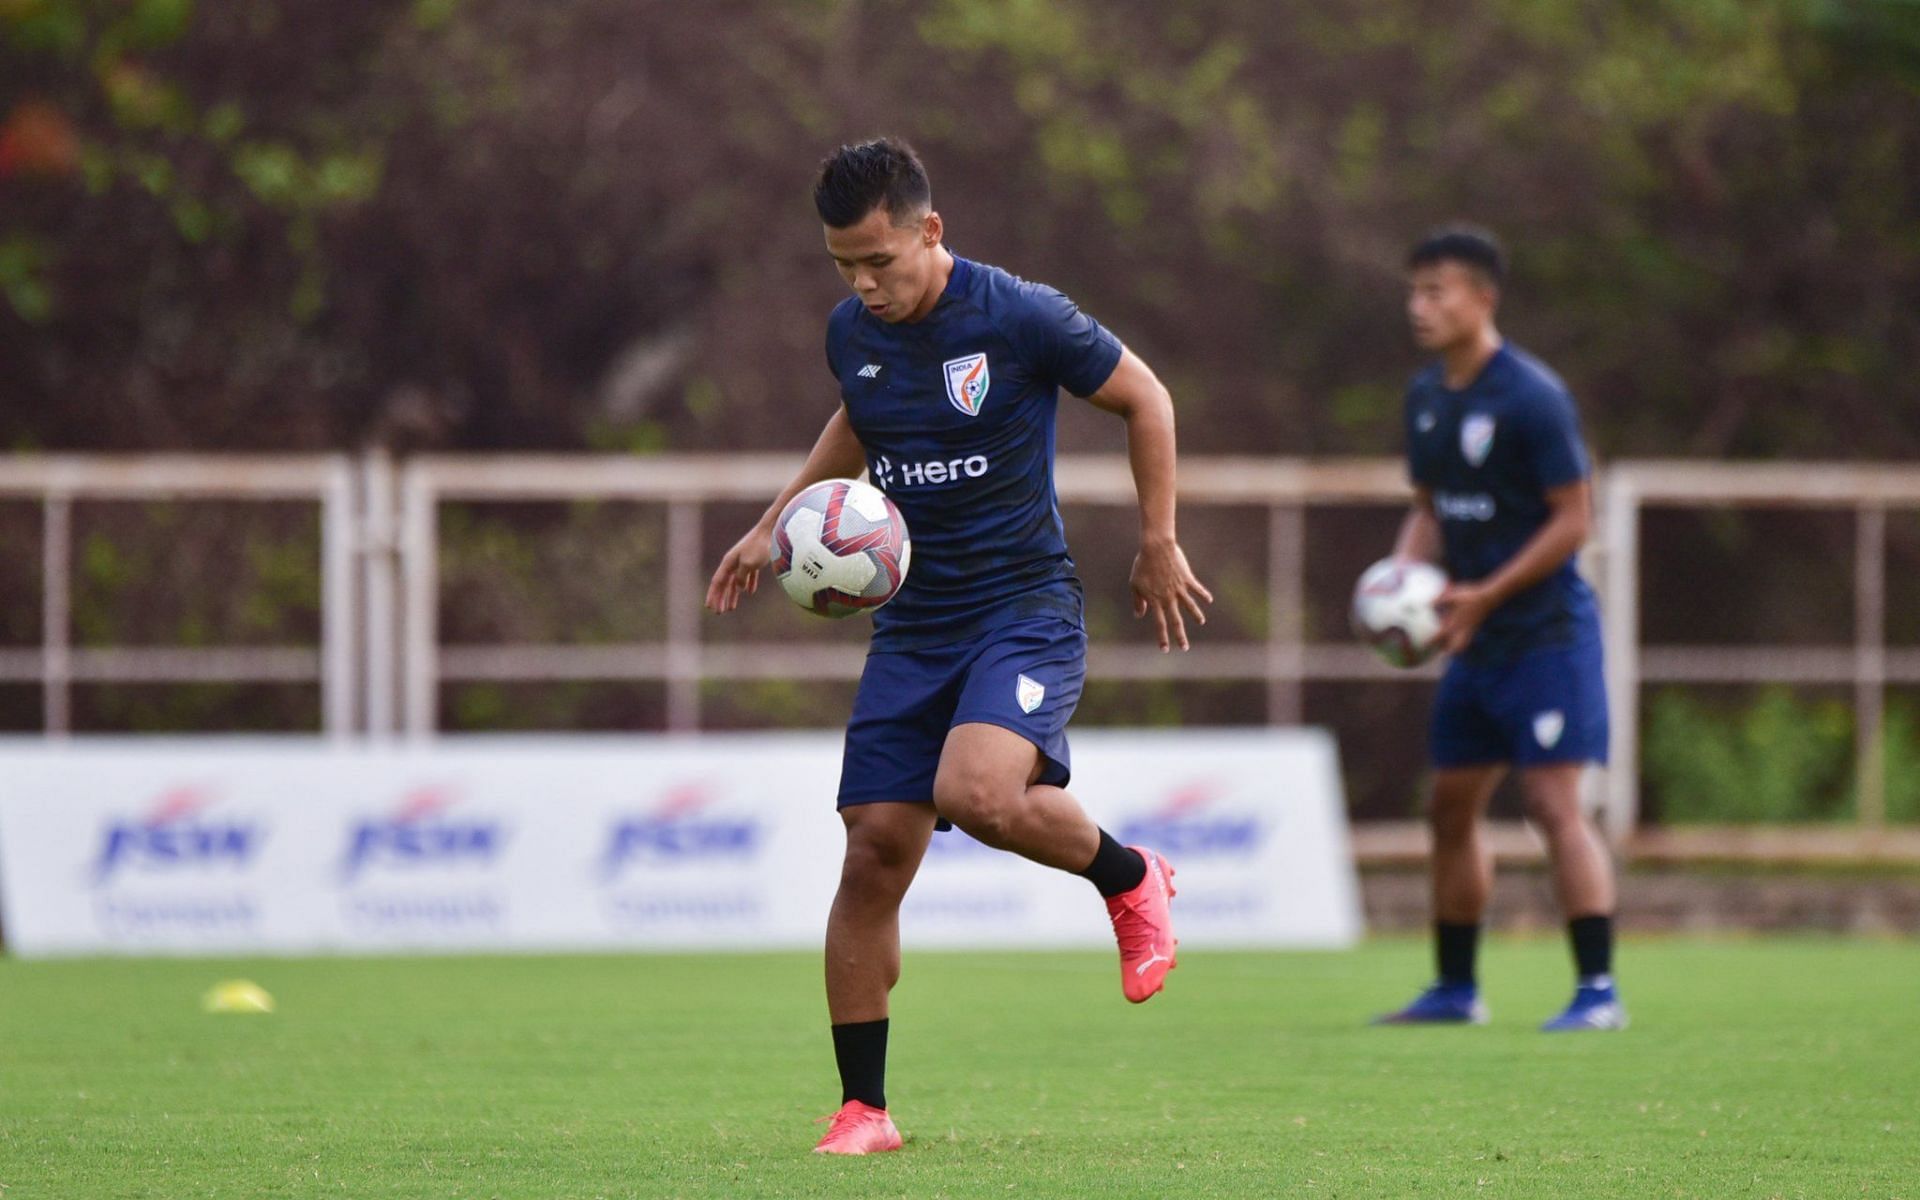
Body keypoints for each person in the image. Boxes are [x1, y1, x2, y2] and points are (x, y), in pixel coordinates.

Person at [705, 138, 1213, 1154]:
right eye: (844, 264)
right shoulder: (853, 330)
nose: (864, 283)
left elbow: (1145, 398)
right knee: (873, 850)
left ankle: (1127, 877)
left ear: (930, 231)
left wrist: (1158, 538)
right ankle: (865, 1110)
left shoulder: (1019, 314)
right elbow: (861, 415)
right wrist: (778, 522)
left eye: (880, 260)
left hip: (1022, 608)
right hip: (916, 624)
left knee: (979, 795)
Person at [1373, 226, 1626, 1033]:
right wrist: (1402, 580)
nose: (1420, 306)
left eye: (1436, 291)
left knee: (1552, 803)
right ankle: (1456, 989)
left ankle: (1597, 993)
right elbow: (1430, 510)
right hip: (1475, 642)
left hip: (1547, 636)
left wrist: (1484, 592)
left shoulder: (1532, 397)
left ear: (1484, 298)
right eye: (1414, 291)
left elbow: (1573, 520)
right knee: (1449, 805)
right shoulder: (1425, 398)